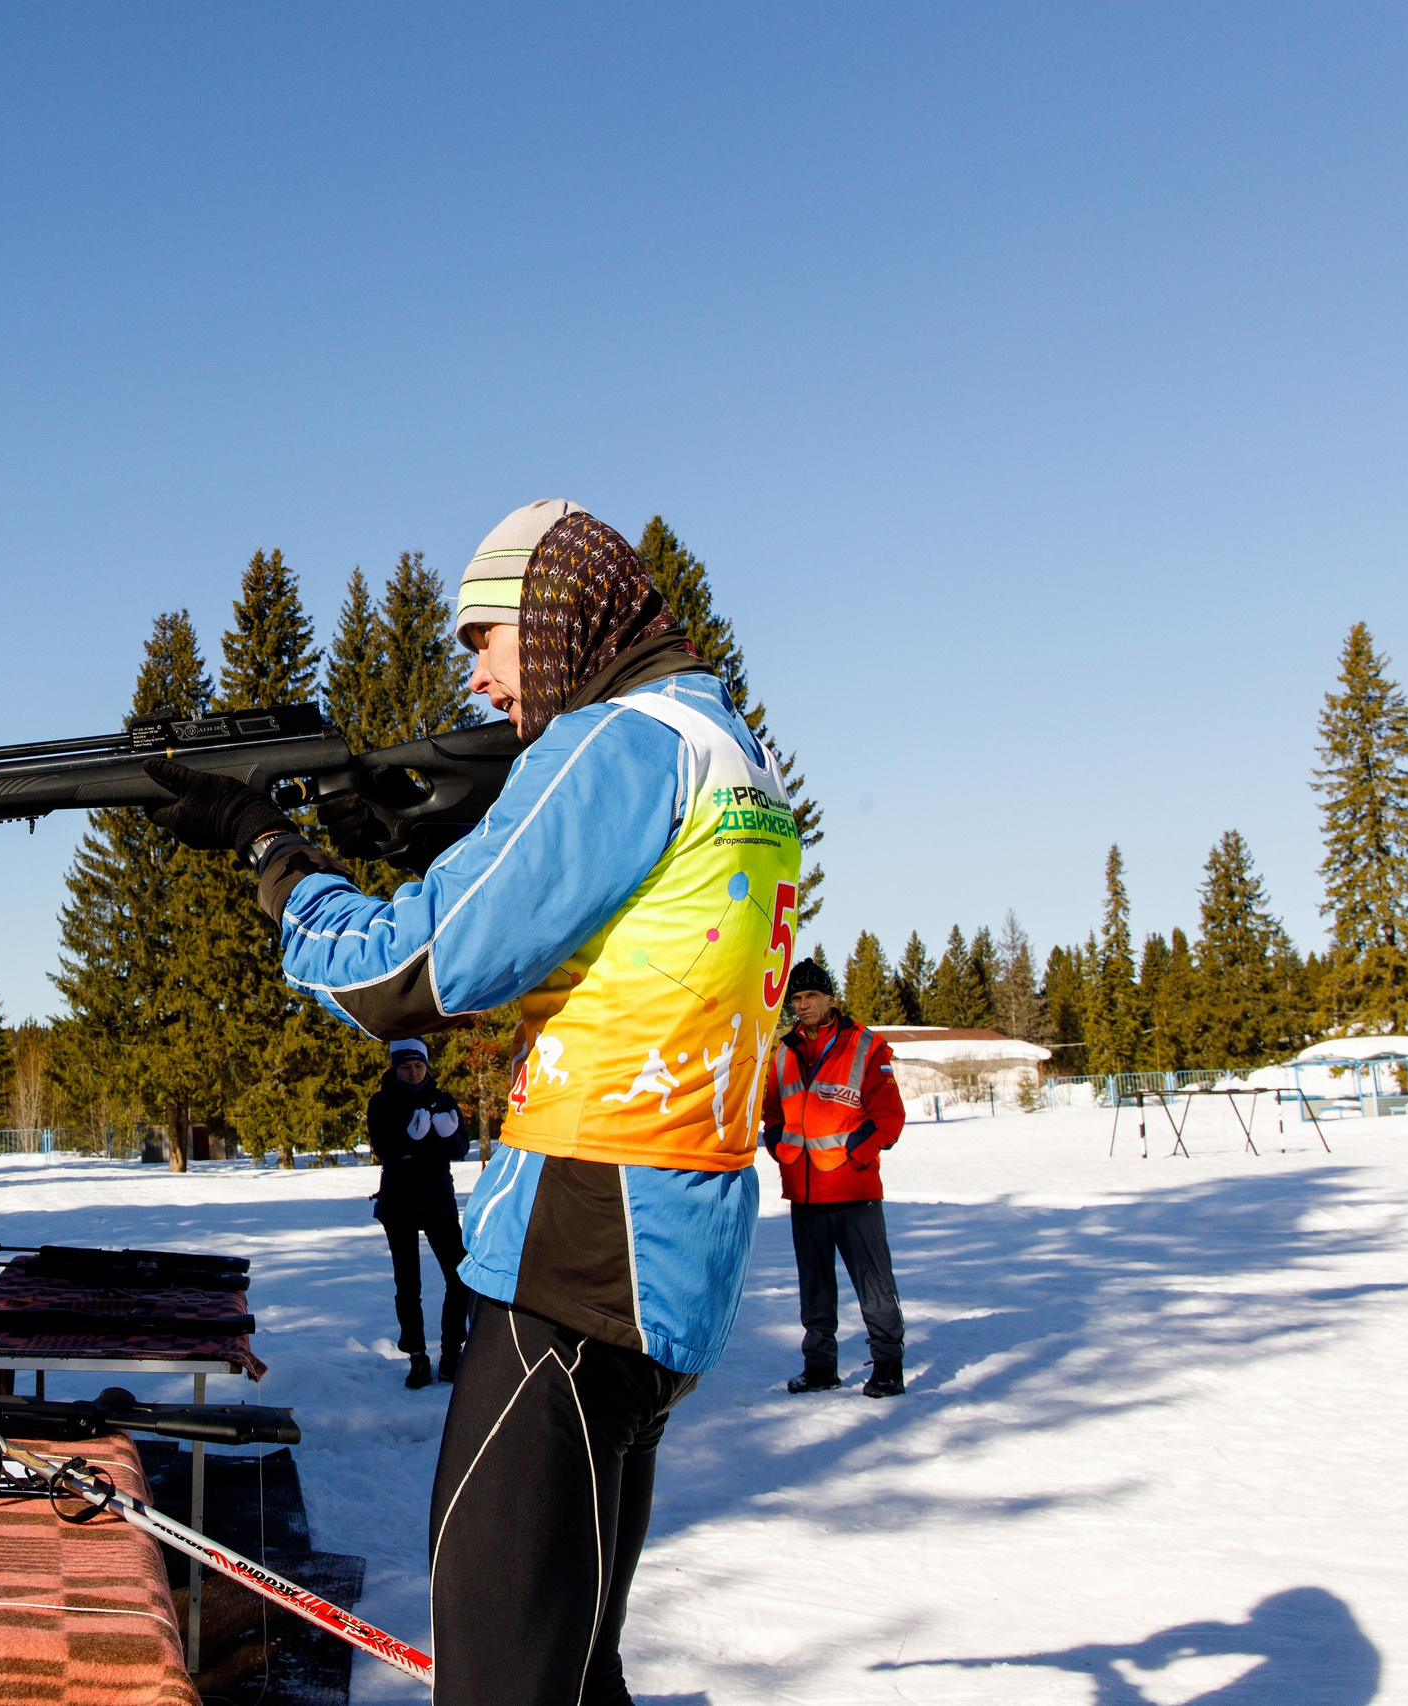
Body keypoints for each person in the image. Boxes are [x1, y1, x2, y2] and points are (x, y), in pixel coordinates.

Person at [141, 499, 802, 1706]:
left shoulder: (618, 741)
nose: (480, 674)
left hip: (577, 1253)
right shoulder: (723, 743)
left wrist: (267, 847)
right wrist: (415, 830)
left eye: (487, 637)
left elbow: (407, 973)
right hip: (668, 1257)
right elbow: (593, 920)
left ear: (555, 616)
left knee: (500, 1680)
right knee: (571, 1673)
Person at [760, 956, 908, 1397]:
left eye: (811, 996)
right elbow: (772, 1111)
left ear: (830, 998)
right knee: (815, 1291)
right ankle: (820, 1367)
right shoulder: (784, 1051)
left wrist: (856, 1154)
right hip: (804, 1193)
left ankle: (888, 1366)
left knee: (874, 1286)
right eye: (796, 998)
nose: (803, 1005)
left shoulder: (865, 1046)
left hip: (852, 1191)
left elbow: (889, 1116)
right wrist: (777, 1142)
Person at [367, 1037, 471, 1389]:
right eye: (406, 1067)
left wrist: (448, 1136)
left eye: (419, 1066)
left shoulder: (443, 1100)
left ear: (427, 1066)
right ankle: (417, 1357)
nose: (413, 1073)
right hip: (399, 1202)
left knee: (459, 1276)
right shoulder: (382, 1101)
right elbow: (383, 1147)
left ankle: (452, 1352)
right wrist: (410, 1140)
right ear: (395, 1068)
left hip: (438, 1199)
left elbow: (460, 1148)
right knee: (408, 1283)